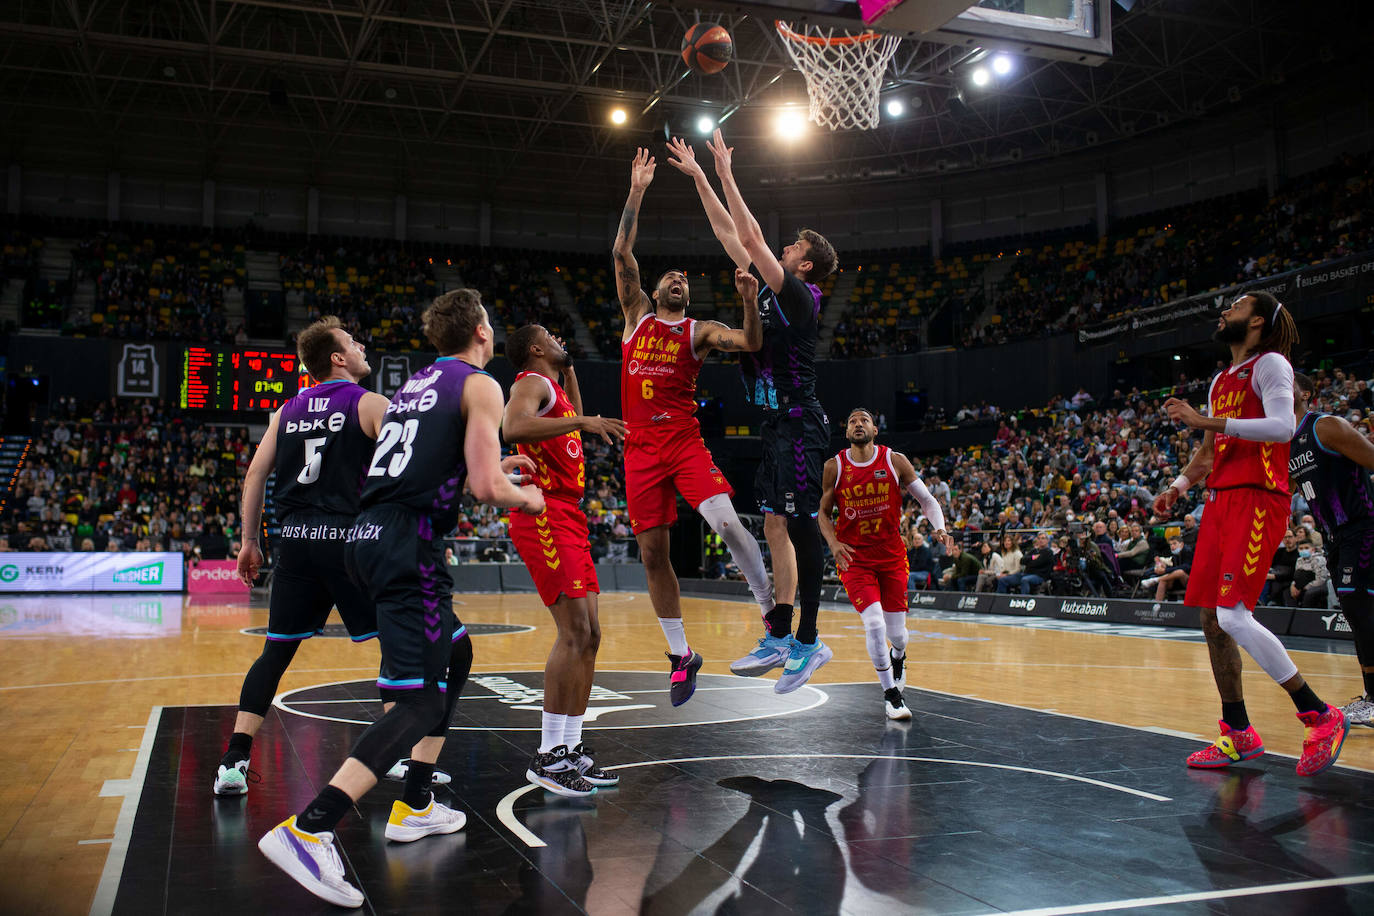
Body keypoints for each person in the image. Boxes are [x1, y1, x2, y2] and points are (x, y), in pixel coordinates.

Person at [258, 290, 544, 907]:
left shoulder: (417, 383)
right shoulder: (481, 384)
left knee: (457, 658)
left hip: (369, 535)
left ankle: (415, 802)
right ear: (480, 331)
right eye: (491, 321)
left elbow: (450, 469)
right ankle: (310, 828)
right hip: (404, 544)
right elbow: (486, 487)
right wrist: (530, 498)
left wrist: (496, 468)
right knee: (415, 706)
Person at [215, 317, 438, 796]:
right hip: (350, 544)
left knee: (275, 652)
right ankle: (396, 758)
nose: (361, 346)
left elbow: (255, 477)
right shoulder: (370, 402)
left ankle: (233, 761)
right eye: (353, 343)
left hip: (295, 544)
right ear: (337, 358)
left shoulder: (287, 411)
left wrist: (249, 540)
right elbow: (412, 461)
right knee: (396, 643)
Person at [667, 131, 839, 692]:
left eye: (793, 248)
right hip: (775, 424)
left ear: (805, 265)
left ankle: (809, 642)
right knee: (772, 522)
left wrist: (726, 171)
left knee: (801, 524)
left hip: (800, 419)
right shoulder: (767, 289)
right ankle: (782, 636)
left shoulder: (796, 295)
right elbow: (728, 231)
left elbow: (750, 232)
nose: (782, 248)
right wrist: (698, 177)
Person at [1153, 291, 1347, 776]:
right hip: (1219, 500)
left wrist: (1207, 420)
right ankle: (1238, 732)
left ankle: (1321, 716)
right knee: (1213, 624)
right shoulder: (1222, 378)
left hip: (1258, 497)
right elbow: (1207, 451)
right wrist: (1177, 488)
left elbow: (1282, 427)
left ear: (1257, 320)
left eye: (1235, 306)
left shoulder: (1272, 365)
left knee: (1233, 616)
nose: (1225, 312)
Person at [611, 148, 776, 705]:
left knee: (727, 524)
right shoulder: (635, 316)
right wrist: (637, 190)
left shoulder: (699, 331)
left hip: (681, 441)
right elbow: (621, 251)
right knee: (654, 556)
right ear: (654, 291)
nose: (679, 279)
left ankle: (770, 612)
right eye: (671, 276)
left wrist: (750, 301)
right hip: (638, 449)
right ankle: (681, 655)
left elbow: (752, 342)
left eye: (685, 278)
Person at [502, 324, 626, 796]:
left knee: (591, 635)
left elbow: (573, 402)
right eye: (551, 336)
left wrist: (570, 374)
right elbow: (512, 428)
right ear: (535, 349)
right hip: (543, 511)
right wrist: (581, 422)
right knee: (574, 632)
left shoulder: (556, 388)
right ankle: (548, 755)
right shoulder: (529, 383)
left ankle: (571, 749)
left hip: (569, 515)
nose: (561, 339)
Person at [817, 408, 948, 720]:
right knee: (874, 624)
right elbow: (821, 513)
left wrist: (940, 527)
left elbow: (928, 501)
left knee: (898, 635)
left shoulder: (894, 460)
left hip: (891, 557)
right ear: (846, 431)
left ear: (875, 428)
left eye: (864, 420)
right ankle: (891, 695)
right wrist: (833, 543)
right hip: (855, 559)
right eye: (852, 420)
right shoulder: (834, 467)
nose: (858, 424)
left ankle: (898, 654)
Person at [1290, 371, 1374, 725]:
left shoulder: (1325, 426)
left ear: (1306, 393)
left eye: (1286, 382)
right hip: (1334, 537)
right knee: (1356, 613)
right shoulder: (1284, 441)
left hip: (1363, 527)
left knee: (1358, 604)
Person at [1289, 535, 1330, 608]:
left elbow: (1321, 580)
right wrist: (1293, 586)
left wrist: (1303, 588)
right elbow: (1296, 576)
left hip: (1319, 585)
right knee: (1288, 592)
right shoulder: (1299, 560)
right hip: (1302, 585)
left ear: (1313, 549)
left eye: (1306, 548)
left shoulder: (1319, 560)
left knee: (1309, 594)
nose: (1303, 550)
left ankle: (1305, 615)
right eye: (1301, 548)